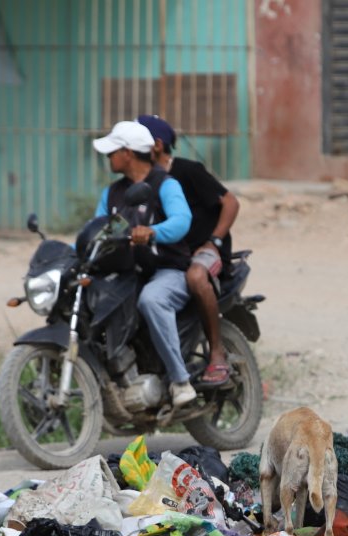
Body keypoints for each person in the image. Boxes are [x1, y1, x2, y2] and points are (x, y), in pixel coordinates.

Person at [92, 120, 196, 407]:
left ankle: (179, 380)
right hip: (128, 271)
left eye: (112, 151)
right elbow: (97, 226)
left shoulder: (165, 184)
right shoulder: (111, 193)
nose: (107, 157)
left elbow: (181, 220)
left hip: (168, 270)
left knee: (151, 300)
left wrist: (153, 231)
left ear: (127, 153)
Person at [137, 114, 240, 387]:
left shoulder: (187, 171)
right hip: (169, 257)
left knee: (196, 277)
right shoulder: (141, 181)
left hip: (203, 251)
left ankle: (216, 352)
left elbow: (231, 203)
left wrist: (214, 241)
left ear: (157, 145)